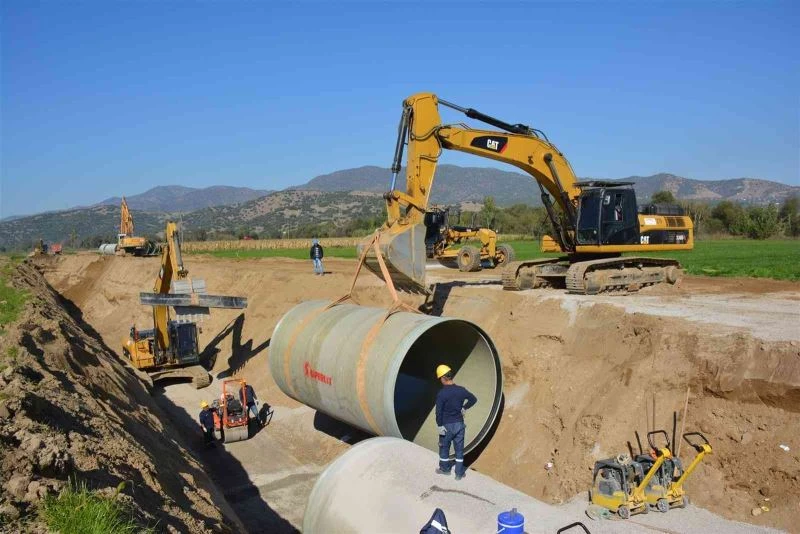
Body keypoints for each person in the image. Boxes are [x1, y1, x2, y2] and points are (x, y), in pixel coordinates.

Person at [434, 364, 477, 481]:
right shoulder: (461, 390)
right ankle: (459, 473)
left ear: (443, 378)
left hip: (447, 426)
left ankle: (445, 469)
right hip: (459, 425)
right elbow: (473, 399)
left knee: (444, 448)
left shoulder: (442, 394)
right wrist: (464, 407)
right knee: (459, 449)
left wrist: (439, 425)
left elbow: (438, 412)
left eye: (440, 379)